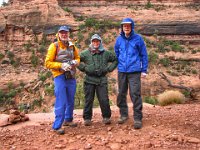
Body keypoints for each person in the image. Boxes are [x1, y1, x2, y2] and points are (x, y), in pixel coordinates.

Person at [44, 25, 80, 134]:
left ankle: (68, 120)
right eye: (62, 32)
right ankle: (57, 126)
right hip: (59, 76)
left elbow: (77, 57)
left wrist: (75, 62)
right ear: (58, 34)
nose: (64, 34)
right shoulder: (54, 46)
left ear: (68, 34)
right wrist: (61, 65)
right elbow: (47, 63)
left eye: (66, 32)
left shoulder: (72, 46)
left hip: (71, 75)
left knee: (70, 99)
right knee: (61, 100)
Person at [114, 18, 148, 129]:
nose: (126, 28)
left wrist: (144, 70)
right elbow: (116, 53)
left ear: (132, 27)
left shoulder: (138, 39)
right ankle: (123, 115)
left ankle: (138, 118)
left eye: (128, 26)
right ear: (122, 28)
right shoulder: (119, 40)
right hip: (122, 71)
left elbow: (144, 55)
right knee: (121, 93)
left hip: (134, 71)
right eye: (124, 26)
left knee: (135, 94)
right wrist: (117, 65)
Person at [78, 34, 117, 126]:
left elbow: (115, 59)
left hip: (101, 80)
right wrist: (84, 68)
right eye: (94, 41)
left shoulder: (106, 53)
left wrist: (109, 69)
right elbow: (77, 60)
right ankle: (87, 118)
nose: (96, 43)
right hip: (89, 80)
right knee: (88, 99)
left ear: (100, 42)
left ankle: (106, 117)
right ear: (91, 42)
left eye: (97, 41)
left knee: (104, 99)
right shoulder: (85, 53)